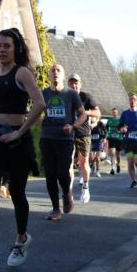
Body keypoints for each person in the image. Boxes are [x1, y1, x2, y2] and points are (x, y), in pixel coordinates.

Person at [0, 29, 45, 270]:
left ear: (16, 49)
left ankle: (21, 238)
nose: (2, 50)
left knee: (17, 192)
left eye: (7, 45)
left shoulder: (22, 73)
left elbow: (40, 104)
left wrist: (20, 131)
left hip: (17, 142)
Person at [39, 65, 85, 221]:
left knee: (62, 172)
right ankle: (55, 209)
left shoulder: (71, 94)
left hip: (65, 139)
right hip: (47, 138)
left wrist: (73, 126)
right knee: (50, 175)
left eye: (58, 71)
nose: (55, 73)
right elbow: (37, 113)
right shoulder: (44, 93)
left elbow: (83, 115)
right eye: (52, 70)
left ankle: (66, 193)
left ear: (63, 76)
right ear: (49, 75)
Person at [66, 74, 100, 203]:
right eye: (72, 83)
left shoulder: (86, 97)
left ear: (80, 84)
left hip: (83, 133)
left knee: (83, 162)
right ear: (68, 84)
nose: (74, 85)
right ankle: (68, 192)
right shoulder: (66, 97)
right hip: (69, 133)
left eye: (76, 83)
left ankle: (85, 187)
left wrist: (85, 112)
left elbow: (98, 113)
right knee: (68, 163)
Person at [106, 107, 123, 175]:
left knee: (117, 154)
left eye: (115, 112)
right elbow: (106, 128)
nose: (114, 113)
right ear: (111, 113)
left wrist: (121, 130)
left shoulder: (120, 120)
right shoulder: (109, 120)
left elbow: (123, 128)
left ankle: (118, 165)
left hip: (119, 138)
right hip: (111, 138)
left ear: (117, 113)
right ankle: (112, 168)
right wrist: (107, 134)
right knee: (112, 153)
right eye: (113, 112)